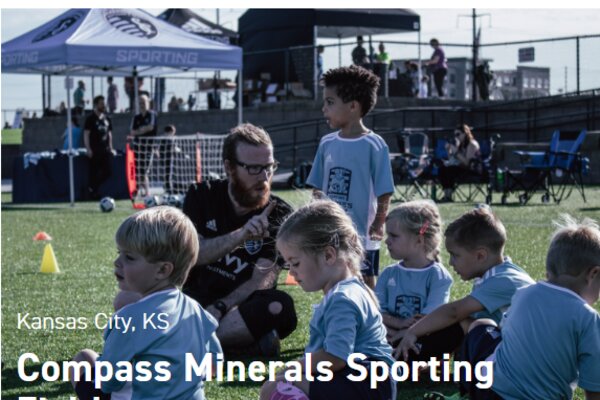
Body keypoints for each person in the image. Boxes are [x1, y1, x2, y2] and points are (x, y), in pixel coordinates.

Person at [69, 206, 222, 400]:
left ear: (162, 270)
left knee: (82, 359)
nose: (117, 262)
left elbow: (109, 382)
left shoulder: (128, 319)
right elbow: (214, 365)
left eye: (129, 257)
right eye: (119, 253)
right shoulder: (197, 311)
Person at [260, 200, 395, 400]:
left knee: (274, 386)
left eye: (295, 262)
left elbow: (336, 357)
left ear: (329, 255)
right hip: (370, 382)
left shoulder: (343, 298)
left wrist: (293, 367)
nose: (292, 271)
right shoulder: (352, 289)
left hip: (365, 382)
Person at [454, 214, 600, 400]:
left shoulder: (524, 293)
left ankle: (466, 390)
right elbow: (594, 388)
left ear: (549, 270)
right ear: (593, 274)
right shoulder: (588, 318)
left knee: (481, 324)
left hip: (491, 392)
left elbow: (504, 334)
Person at [182, 123, 297, 357]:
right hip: (196, 300)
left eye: (269, 167)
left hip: (241, 307)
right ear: (229, 168)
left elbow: (263, 279)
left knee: (280, 307)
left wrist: (222, 306)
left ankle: (191, 344)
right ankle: (243, 346)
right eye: (254, 168)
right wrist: (242, 234)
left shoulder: (280, 213)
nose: (264, 177)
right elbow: (196, 253)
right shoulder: (201, 196)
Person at [393, 207, 534, 364]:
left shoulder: (504, 280)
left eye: (455, 255)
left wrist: (413, 332)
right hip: (519, 353)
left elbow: (454, 312)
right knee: (468, 322)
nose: (451, 262)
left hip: (523, 361)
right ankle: (418, 360)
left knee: (465, 321)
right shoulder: (497, 274)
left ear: (480, 255)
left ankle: (405, 359)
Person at [306, 65, 395, 290]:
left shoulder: (375, 145)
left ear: (353, 106)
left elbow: (385, 190)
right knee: (331, 278)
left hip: (362, 232)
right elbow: (317, 187)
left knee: (365, 279)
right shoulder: (326, 143)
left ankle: (372, 319)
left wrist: (378, 222)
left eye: (330, 102)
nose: (323, 108)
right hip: (330, 228)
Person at [375, 200, 453, 346]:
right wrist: (398, 324)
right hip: (388, 338)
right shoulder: (388, 274)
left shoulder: (438, 276)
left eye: (393, 236)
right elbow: (375, 312)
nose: (387, 241)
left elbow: (431, 317)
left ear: (419, 240)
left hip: (423, 340)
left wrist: (406, 332)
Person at [437, 124, 481, 202]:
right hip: (461, 168)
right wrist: (448, 151)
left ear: (465, 133)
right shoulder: (460, 145)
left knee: (451, 170)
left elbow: (468, 163)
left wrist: (456, 152)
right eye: (455, 135)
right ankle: (447, 195)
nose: (456, 137)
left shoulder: (472, 144)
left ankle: (448, 195)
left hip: (473, 170)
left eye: (458, 134)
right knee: (443, 169)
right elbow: (452, 159)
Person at [83, 95, 114, 200]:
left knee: (108, 171)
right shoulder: (90, 119)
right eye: (101, 103)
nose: (103, 105)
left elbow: (109, 134)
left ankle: (93, 188)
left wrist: (110, 147)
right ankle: (92, 193)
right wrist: (88, 149)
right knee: (93, 173)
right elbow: (86, 134)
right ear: (96, 105)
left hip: (104, 150)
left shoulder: (107, 118)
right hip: (94, 150)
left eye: (104, 103)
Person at [128, 94, 158, 197]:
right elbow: (132, 132)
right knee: (138, 171)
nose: (142, 105)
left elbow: (150, 127)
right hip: (138, 147)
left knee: (144, 171)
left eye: (144, 102)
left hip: (149, 147)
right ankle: (138, 190)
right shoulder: (136, 118)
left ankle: (147, 193)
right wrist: (141, 130)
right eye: (140, 103)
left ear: (148, 103)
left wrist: (139, 131)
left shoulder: (152, 115)